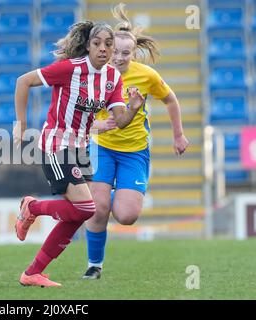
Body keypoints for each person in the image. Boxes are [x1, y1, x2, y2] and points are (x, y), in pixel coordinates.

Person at [12, 20, 145, 287]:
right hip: (56, 144)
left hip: (80, 148)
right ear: (87, 45)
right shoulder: (69, 69)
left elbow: (119, 120)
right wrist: (21, 124)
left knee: (78, 214)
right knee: (86, 208)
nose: (104, 49)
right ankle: (32, 207)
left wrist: (132, 108)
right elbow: (23, 81)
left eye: (108, 44)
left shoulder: (112, 78)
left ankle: (32, 272)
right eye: (97, 43)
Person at [82, 3, 190, 280]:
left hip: (134, 152)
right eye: (114, 51)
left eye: (125, 53)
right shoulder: (93, 72)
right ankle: (94, 265)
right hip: (102, 146)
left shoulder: (146, 75)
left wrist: (178, 134)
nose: (118, 57)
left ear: (134, 53)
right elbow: (78, 111)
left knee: (127, 216)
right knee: (97, 207)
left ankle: (117, 192)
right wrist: (94, 125)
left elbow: (170, 99)